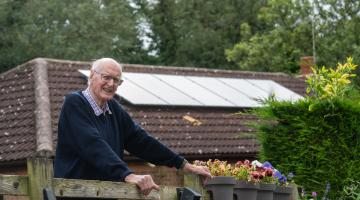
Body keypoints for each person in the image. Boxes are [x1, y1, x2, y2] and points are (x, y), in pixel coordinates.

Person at [54, 58, 211, 197]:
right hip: (74, 193)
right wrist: (127, 175)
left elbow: (142, 141)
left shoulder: (114, 110)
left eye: (116, 80)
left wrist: (184, 165)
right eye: (106, 77)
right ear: (91, 75)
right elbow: (92, 144)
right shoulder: (75, 104)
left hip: (105, 194)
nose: (111, 84)